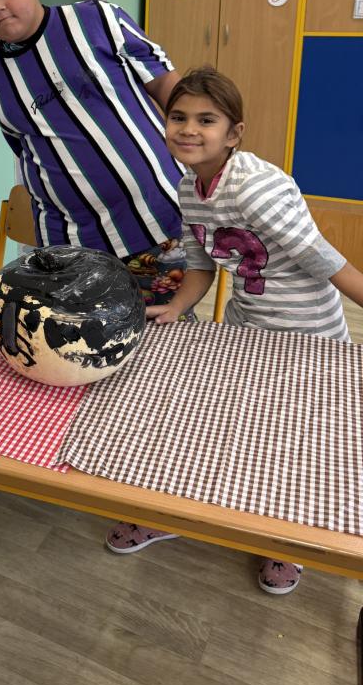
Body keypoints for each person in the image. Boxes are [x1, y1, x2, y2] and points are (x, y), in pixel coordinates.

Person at [108, 65, 363, 594]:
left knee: (291, 442)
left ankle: (285, 541)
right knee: (212, 418)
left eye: (206, 119)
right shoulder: (189, 186)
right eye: (178, 117)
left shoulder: (256, 189)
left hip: (306, 336)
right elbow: (201, 261)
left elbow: (323, 260)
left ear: (233, 133)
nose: (188, 129)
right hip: (247, 326)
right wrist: (177, 306)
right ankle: (175, 511)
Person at [0, 0, 187, 307]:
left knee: (167, 333)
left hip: (158, 223)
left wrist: (204, 169)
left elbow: (168, 87)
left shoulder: (97, 19)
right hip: (75, 249)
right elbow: (24, 148)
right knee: (86, 338)